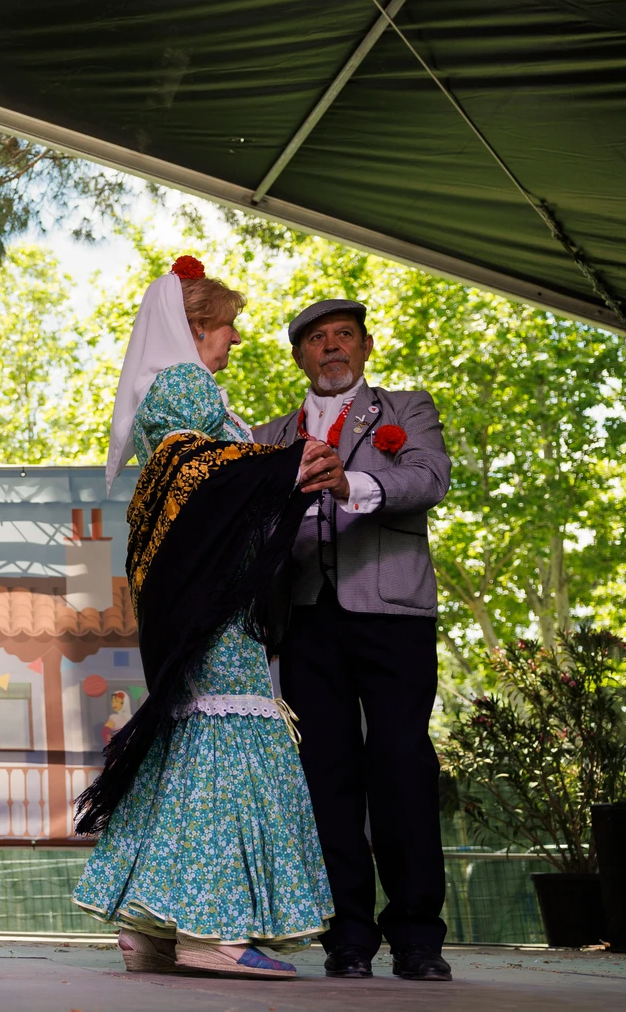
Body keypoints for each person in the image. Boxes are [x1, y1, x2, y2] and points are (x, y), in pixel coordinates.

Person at [71, 257, 337, 979]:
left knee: (189, 739)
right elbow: (203, 473)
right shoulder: (187, 384)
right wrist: (287, 466)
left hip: (199, 593)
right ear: (193, 329)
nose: (235, 340)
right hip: (218, 605)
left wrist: (276, 472)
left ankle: (149, 925)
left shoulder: (163, 390)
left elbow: (196, 478)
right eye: (226, 326)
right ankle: (211, 930)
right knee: (227, 735)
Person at [253, 300, 454, 983]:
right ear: (299, 357)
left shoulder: (407, 410)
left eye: (343, 335)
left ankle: (419, 936)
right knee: (326, 776)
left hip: (395, 612)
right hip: (306, 618)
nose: (331, 346)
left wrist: (355, 480)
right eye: (316, 339)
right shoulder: (267, 434)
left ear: (366, 347)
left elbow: (429, 479)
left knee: (401, 763)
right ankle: (347, 938)